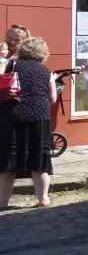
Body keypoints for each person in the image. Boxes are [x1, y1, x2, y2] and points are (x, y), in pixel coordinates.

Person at [0, 37, 57, 207]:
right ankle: (43, 199)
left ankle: (2, 201)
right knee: (40, 157)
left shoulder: (11, 66)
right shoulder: (47, 72)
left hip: (12, 115)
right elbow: (52, 98)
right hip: (39, 116)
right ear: (43, 53)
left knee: (9, 158)